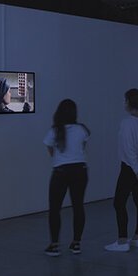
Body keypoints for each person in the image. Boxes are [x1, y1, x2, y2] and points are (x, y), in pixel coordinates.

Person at [106, 88, 138, 252]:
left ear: (128, 102)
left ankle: (122, 241)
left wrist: (135, 170)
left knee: (119, 202)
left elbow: (128, 148)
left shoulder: (127, 122)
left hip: (130, 169)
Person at [43, 99, 90, 256]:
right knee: (78, 206)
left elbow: (50, 149)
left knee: (55, 208)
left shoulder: (55, 131)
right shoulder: (82, 129)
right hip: (80, 170)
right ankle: (76, 244)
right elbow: (82, 147)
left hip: (61, 171)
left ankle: (54, 245)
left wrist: (60, 159)